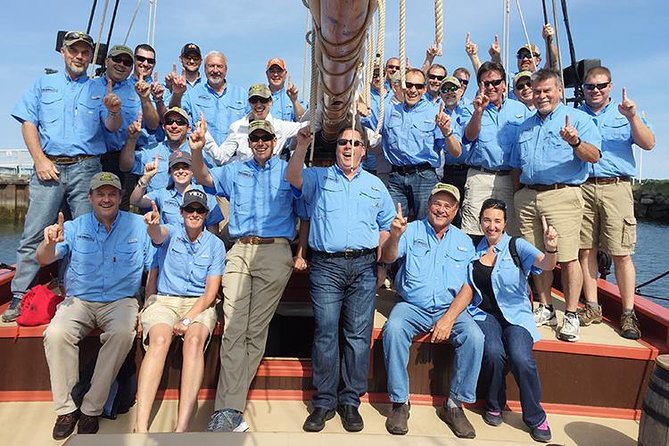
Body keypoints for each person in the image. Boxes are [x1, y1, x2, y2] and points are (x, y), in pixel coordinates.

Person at [3, 31, 123, 322]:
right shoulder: (43, 84)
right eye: (74, 51)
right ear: (63, 53)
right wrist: (39, 159)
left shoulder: (99, 89)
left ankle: (77, 293)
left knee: (85, 233)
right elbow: (28, 124)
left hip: (86, 169)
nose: (80, 56)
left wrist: (114, 111)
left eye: (85, 52)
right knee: (34, 233)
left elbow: (112, 128)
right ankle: (20, 296)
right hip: (49, 168)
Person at [190, 119, 299, 432]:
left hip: (275, 250)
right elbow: (206, 177)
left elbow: (303, 208)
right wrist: (197, 152)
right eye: (256, 138)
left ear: (274, 141)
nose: (261, 142)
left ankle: (228, 409)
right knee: (235, 329)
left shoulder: (287, 170)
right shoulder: (236, 170)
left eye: (266, 137)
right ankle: (229, 410)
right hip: (239, 250)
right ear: (249, 142)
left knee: (254, 331)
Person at [285, 125, 395, 433]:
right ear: (337, 149)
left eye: (355, 143)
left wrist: (381, 261)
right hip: (326, 267)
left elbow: (386, 225)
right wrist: (300, 146)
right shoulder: (319, 178)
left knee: (358, 336)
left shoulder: (375, 185)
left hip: (363, 266)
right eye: (344, 142)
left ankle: (350, 401)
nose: (348, 147)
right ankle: (323, 402)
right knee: (325, 333)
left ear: (363, 150)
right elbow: (293, 178)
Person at [37, 172, 152, 440]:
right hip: (80, 300)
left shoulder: (138, 225)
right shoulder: (75, 227)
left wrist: (147, 304)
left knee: (123, 332)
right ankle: (66, 410)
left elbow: (153, 268)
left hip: (121, 300)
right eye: (100, 193)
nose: (106, 198)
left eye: (112, 193)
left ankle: (91, 408)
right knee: (56, 334)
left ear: (120, 197)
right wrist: (48, 242)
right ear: (90, 198)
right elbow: (44, 260)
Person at [380, 183, 482, 438]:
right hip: (413, 306)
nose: (441, 209)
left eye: (448, 205)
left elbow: (468, 286)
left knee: (475, 337)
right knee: (393, 328)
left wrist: (448, 319)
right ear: (429, 204)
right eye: (437, 203)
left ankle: (454, 405)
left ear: (456, 210)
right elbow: (389, 258)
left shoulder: (464, 241)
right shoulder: (410, 230)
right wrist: (394, 235)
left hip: (451, 309)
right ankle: (400, 402)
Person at [510, 69, 601, 342]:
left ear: (559, 91)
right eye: (537, 92)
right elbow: (516, 165)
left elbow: (594, 156)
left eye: (547, 91)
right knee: (536, 256)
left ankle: (571, 314)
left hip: (562, 195)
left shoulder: (579, 120)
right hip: (527, 196)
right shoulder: (524, 126)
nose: (541, 96)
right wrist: (519, 195)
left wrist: (574, 141)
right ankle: (546, 306)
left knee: (567, 257)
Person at [135, 189, 225, 433]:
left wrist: (187, 319)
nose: (194, 214)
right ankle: (140, 426)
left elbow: (210, 294)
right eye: (190, 209)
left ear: (206, 214)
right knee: (160, 339)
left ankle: (181, 428)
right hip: (165, 300)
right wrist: (152, 225)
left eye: (199, 210)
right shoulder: (171, 231)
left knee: (194, 341)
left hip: (199, 303)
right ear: (181, 212)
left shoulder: (216, 245)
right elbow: (157, 234)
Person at [468, 198, 557, 443]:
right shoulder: (473, 249)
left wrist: (551, 248)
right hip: (484, 313)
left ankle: (536, 416)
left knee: (521, 358)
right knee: (494, 352)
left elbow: (548, 264)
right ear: (480, 221)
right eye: (487, 220)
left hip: (516, 315)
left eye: (497, 221)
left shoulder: (518, 246)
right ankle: (495, 403)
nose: (492, 226)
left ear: (505, 223)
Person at [577, 66, 655, 339]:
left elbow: (648, 143)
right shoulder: (575, 116)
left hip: (616, 187)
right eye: (590, 86)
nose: (595, 90)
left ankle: (627, 313)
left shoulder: (626, 112)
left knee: (622, 253)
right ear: (583, 89)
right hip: (583, 187)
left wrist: (632, 117)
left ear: (610, 86)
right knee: (585, 250)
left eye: (601, 86)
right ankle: (593, 306)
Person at [378, 68, 461, 221]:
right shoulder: (388, 111)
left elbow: (456, 152)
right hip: (396, 177)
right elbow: (362, 115)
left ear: (424, 89)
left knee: (427, 225)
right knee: (391, 224)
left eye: (418, 86)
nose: (413, 90)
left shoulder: (436, 112)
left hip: (424, 177)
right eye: (409, 85)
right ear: (403, 86)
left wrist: (446, 132)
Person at [459, 61, 530, 241]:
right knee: (474, 231)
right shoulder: (470, 109)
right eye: (486, 83)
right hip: (480, 177)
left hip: (510, 178)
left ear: (504, 84)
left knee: (510, 231)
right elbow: (469, 136)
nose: (491, 87)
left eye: (496, 82)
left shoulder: (520, 109)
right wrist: (478, 112)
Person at [98, 44, 160, 208]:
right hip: (112, 155)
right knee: (114, 207)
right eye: (140, 59)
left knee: (148, 208)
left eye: (150, 60)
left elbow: (154, 125)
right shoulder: (113, 86)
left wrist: (149, 98)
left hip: (145, 155)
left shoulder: (159, 89)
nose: (145, 63)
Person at [203, 83, 308, 165]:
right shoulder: (237, 127)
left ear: (270, 102)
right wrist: (204, 135)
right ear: (249, 103)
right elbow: (221, 158)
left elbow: (311, 125)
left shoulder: (281, 126)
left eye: (263, 100)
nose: (258, 104)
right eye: (254, 100)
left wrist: (295, 101)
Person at [119, 106, 214, 194]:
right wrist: (131, 139)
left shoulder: (199, 152)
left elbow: (212, 182)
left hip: (192, 210)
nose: (174, 125)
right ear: (164, 127)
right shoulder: (150, 151)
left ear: (188, 128)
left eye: (180, 122)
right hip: (154, 209)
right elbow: (125, 167)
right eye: (169, 121)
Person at [169, 50, 248, 145]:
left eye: (219, 66)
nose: (215, 70)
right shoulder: (192, 94)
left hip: (236, 157)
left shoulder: (241, 93)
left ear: (226, 70)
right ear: (205, 69)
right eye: (211, 66)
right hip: (202, 156)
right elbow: (174, 112)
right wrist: (177, 94)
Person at [129, 151, 223, 230]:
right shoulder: (162, 194)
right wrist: (146, 177)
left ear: (192, 171)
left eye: (185, 167)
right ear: (170, 172)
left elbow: (213, 232)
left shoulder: (206, 196)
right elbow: (135, 201)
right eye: (176, 168)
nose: (181, 171)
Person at [436, 76, 469, 221]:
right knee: (449, 214)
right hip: (447, 171)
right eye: (445, 89)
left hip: (468, 170)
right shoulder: (436, 114)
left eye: (453, 89)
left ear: (461, 91)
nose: (449, 92)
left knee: (467, 213)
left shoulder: (470, 110)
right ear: (440, 94)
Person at [265, 57, 306, 122]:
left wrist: (294, 100)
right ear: (267, 74)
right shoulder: (257, 98)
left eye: (279, 71)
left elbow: (303, 121)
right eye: (272, 71)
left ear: (285, 74)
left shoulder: (295, 98)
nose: (276, 74)